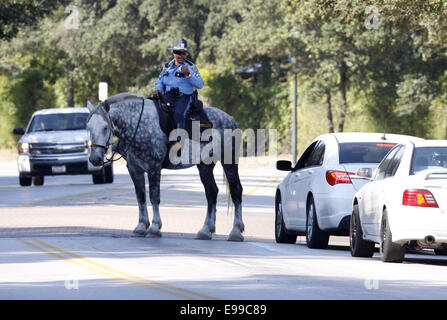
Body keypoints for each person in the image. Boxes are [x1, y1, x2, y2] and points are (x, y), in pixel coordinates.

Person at [154, 38, 204, 132]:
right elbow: (159, 81)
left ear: (186, 54)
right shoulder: (166, 66)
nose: (181, 56)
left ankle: (178, 141)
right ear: (173, 53)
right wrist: (158, 89)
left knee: (178, 114)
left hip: (183, 98)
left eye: (183, 53)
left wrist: (188, 74)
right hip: (167, 97)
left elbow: (200, 84)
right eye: (178, 52)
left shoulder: (191, 67)